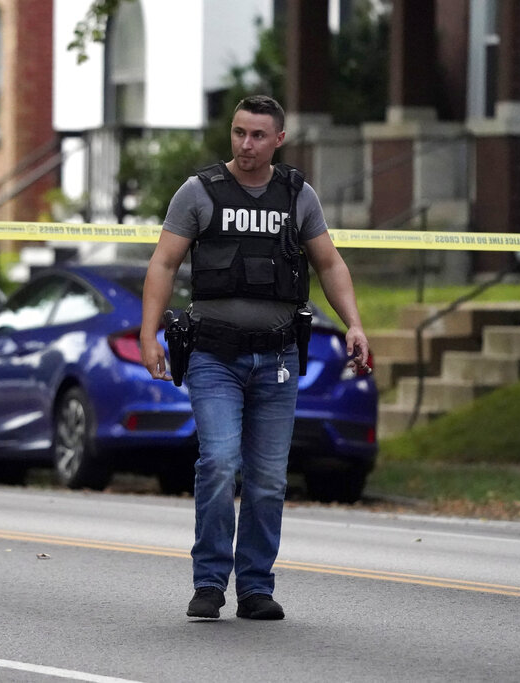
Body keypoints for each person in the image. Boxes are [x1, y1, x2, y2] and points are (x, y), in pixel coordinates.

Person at [140, 95, 371, 621]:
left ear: (279, 140)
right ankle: (208, 582)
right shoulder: (198, 192)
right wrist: (148, 333)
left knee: (268, 479)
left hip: (277, 359)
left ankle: (256, 588)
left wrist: (355, 322)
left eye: (258, 136)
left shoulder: (297, 194)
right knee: (219, 462)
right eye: (239, 132)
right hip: (213, 357)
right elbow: (163, 262)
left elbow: (330, 263)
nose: (246, 144)